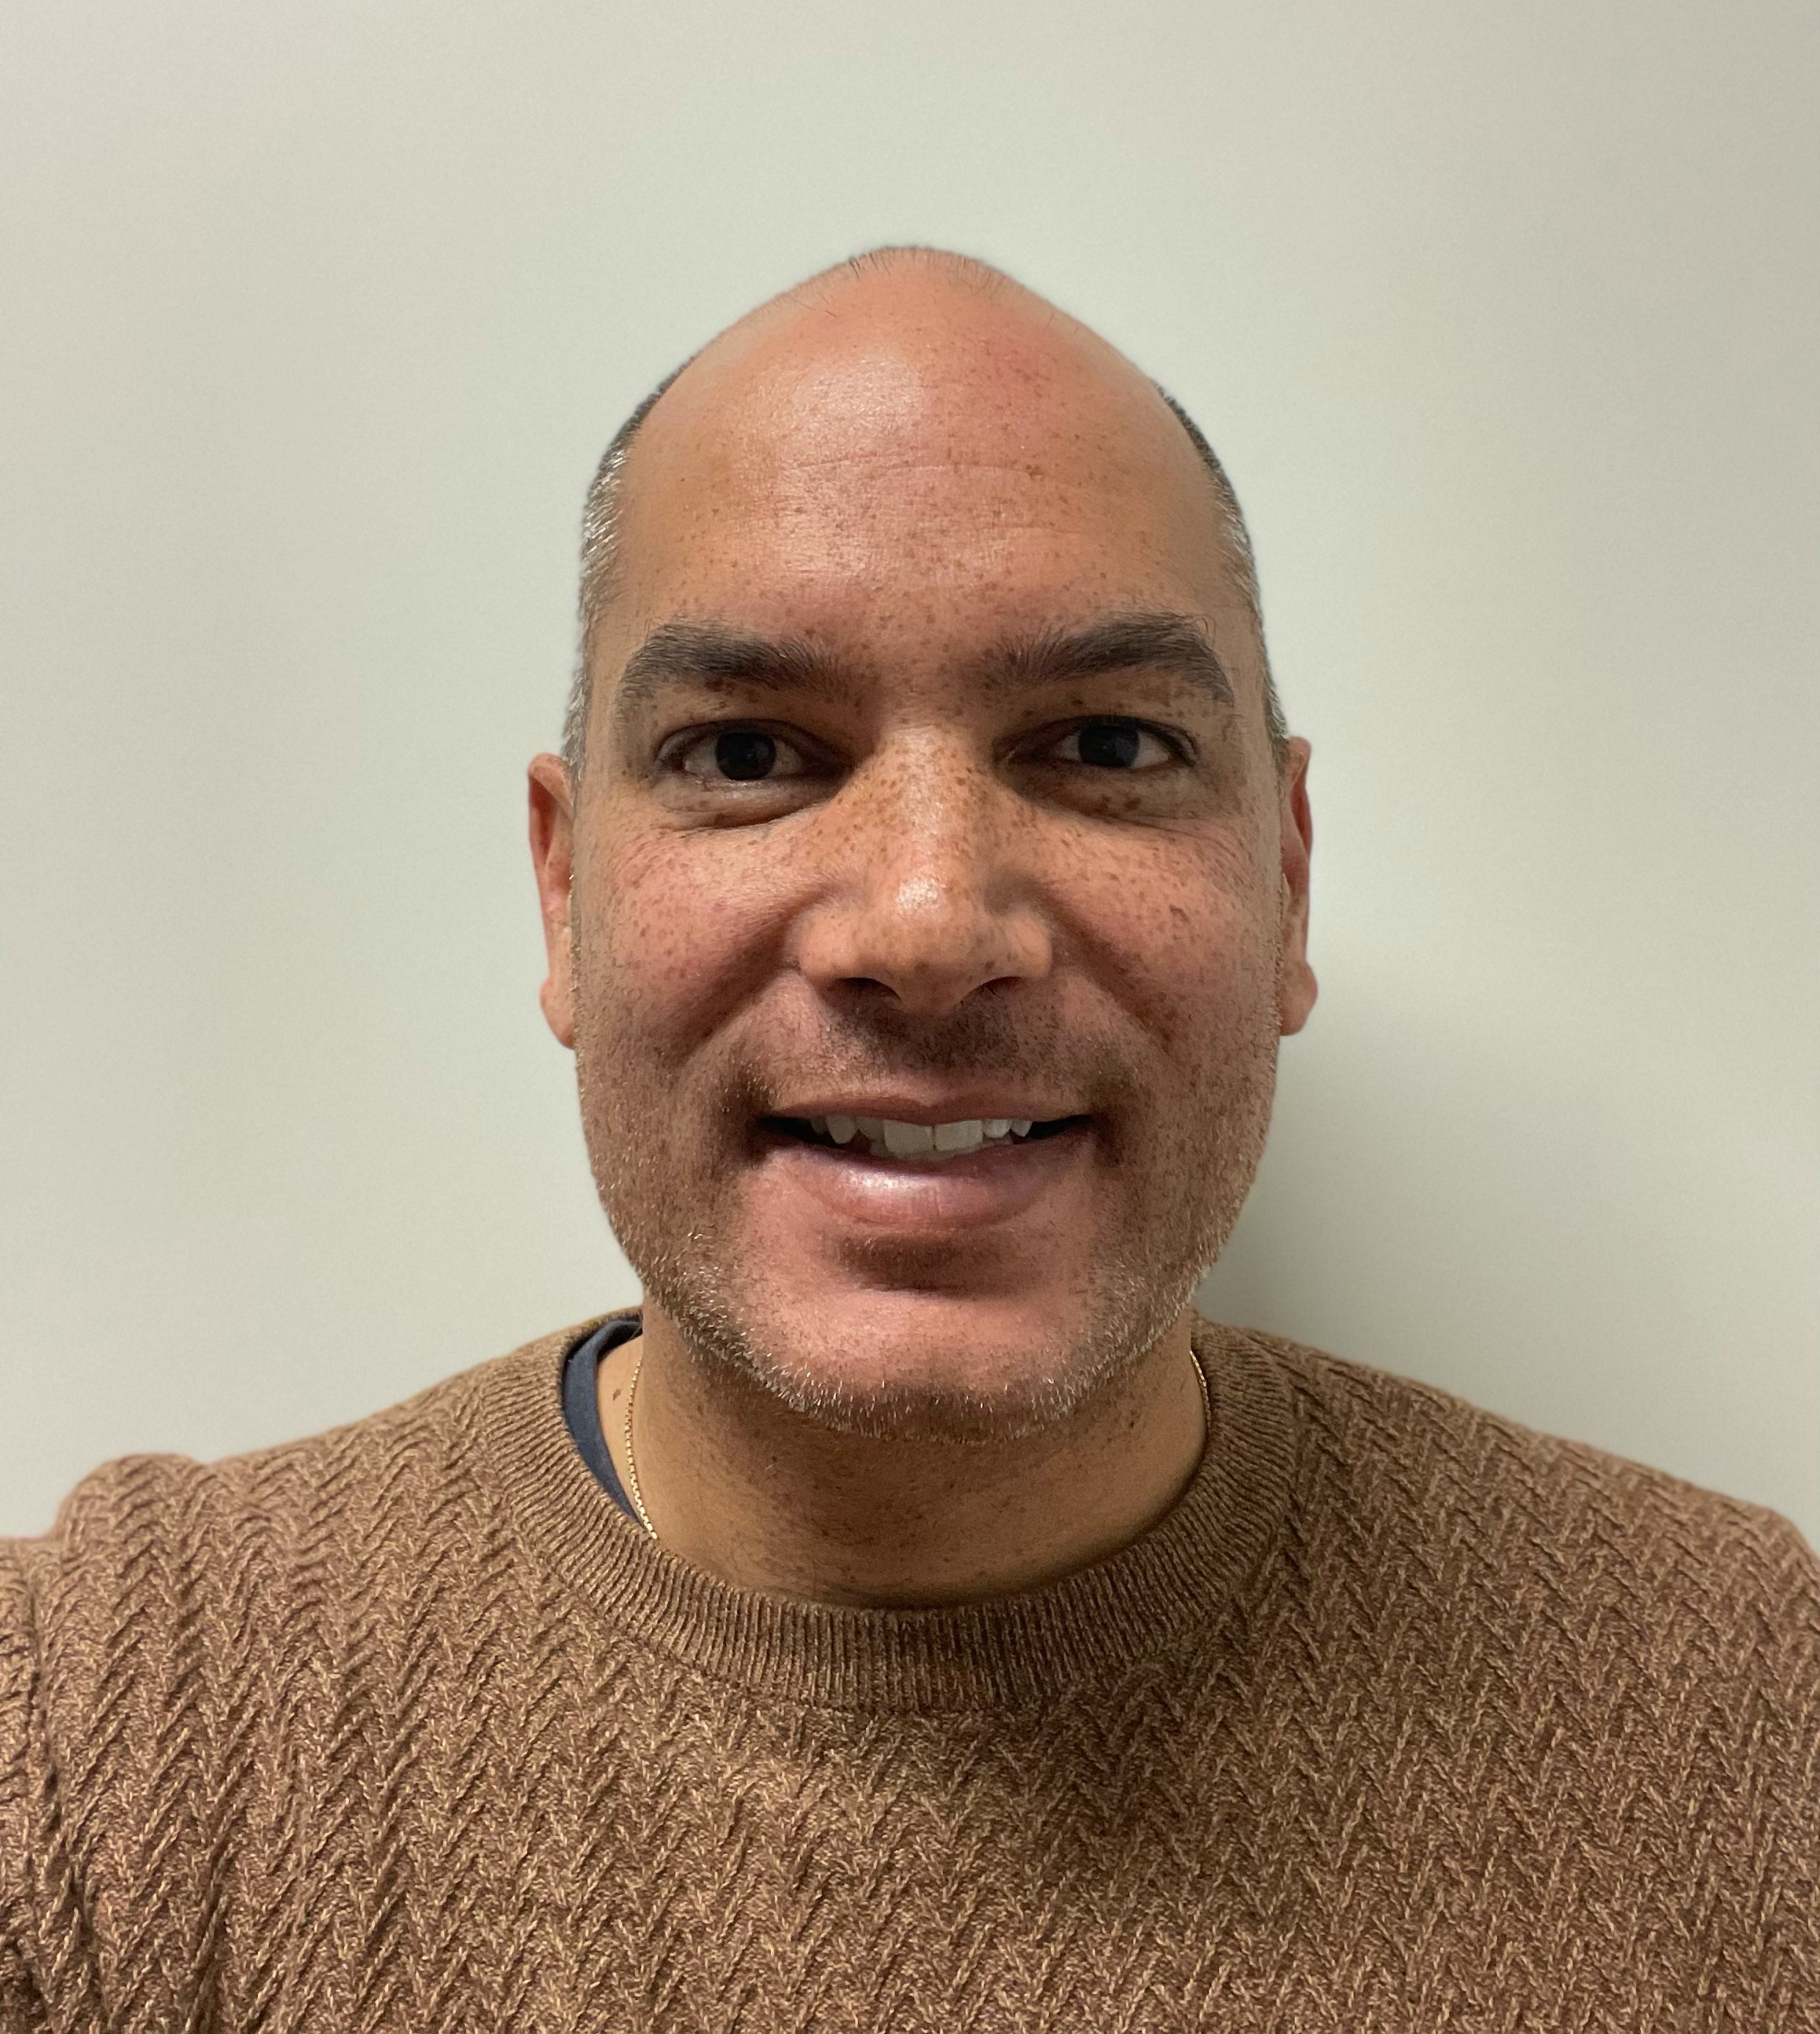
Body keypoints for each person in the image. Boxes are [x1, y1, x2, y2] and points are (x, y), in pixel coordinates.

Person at [2, 248, 1814, 2033]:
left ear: (1286, 874)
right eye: (744, 754)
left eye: (1108, 741)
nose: (931, 922)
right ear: (564, 894)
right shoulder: (101, 1741)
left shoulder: (1740, 1718)